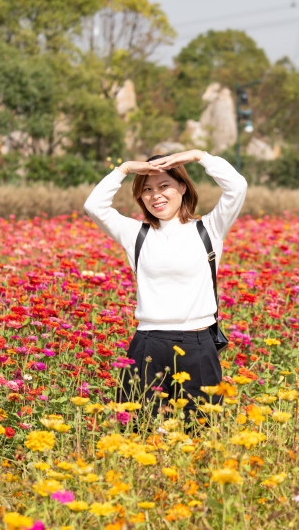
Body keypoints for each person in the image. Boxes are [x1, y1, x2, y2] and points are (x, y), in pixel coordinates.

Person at [83, 149, 247, 425]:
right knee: (137, 430)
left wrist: (198, 156)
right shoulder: (135, 233)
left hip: (198, 345)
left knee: (201, 432)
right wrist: (123, 169)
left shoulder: (209, 228)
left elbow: (237, 186)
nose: (155, 195)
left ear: (183, 187)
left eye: (164, 186)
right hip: (148, 344)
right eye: (147, 189)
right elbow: (94, 206)